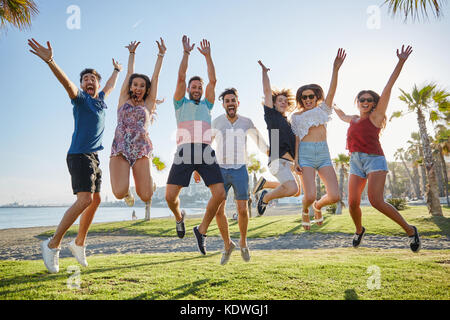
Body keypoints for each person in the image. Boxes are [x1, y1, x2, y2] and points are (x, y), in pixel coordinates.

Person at [28, 38, 121, 273]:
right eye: (86, 79)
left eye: (93, 79)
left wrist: (117, 71)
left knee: (96, 199)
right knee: (85, 200)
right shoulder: (80, 99)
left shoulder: (100, 101)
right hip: (79, 155)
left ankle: (79, 243)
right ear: (82, 84)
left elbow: (109, 86)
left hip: (93, 157)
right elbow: (66, 83)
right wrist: (51, 61)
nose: (89, 81)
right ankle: (52, 244)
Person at [333, 45, 421, 252]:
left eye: (369, 100)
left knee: (375, 201)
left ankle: (410, 230)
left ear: (374, 104)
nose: (365, 102)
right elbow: (338, 112)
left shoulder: (376, 117)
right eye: (361, 99)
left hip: (374, 160)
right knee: (353, 202)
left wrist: (400, 62)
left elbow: (387, 88)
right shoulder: (353, 119)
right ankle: (359, 230)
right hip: (355, 161)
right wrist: (329, 101)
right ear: (358, 102)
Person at [165, 36, 225, 255]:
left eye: (199, 86)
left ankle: (201, 231)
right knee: (170, 197)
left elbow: (214, 81)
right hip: (184, 151)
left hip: (205, 151)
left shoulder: (208, 105)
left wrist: (208, 56)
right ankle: (179, 217)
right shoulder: (180, 103)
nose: (197, 89)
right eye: (194, 86)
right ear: (189, 89)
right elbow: (180, 77)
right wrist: (186, 53)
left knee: (220, 194)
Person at [196, 87, 269, 265]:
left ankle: (243, 242)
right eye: (227, 101)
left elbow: (260, 142)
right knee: (219, 210)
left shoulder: (246, 121)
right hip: (219, 169)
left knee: (242, 210)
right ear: (223, 104)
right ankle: (227, 245)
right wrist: (198, 166)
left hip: (240, 169)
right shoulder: (217, 122)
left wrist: (274, 154)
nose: (230, 103)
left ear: (237, 103)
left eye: (233, 100)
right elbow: (206, 144)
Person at [291, 48, 346, 230]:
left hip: (323, 153)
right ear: (301, 99)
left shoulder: (323, 110)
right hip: (305, 154)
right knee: (309, 195)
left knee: (335, 196)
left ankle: (317, 206)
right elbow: (297, 139)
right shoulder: (297, 117)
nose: (307, 99)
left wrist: (335, 69)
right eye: (304, 97)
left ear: (316, 97)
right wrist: (295, 160)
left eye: (311, 96)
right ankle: (306, 209)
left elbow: (332, 91)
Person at [110, 39, 166, 219]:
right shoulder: (123, 99)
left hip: (141, 148)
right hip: (121, 147)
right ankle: (127, 193)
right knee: (118, 193)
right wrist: (132, 54)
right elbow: (130, 73)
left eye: (143, 85)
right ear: (130, 86)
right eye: (135, 84)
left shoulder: (148, 104)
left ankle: (151, 184)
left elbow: (155, 77)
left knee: (146, 195)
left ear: (147, 89)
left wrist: (161, 55)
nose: (138, 88)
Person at [254, 61, 301, 216]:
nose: (283, 102)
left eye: (285, 101)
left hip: (289, 163)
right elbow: (267, 91)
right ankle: (266, 197)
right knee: (292, 188)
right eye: (279, 100)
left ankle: (265, 185)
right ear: (273, 104)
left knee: (295, 191)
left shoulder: (289, 123)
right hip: (277, 160)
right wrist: (265, 73)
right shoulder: (272, 117)